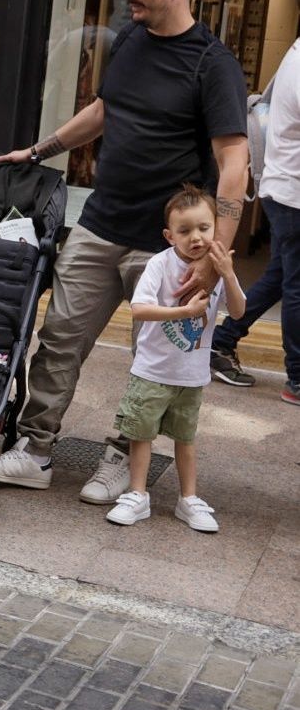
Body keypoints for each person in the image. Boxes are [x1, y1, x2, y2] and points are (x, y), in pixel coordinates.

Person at [0, 0, 249, 500]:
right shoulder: (129, 41)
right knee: (58, 340)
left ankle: (122, 457)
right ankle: (35, 450)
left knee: (156, 359)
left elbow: (233, 161)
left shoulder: (213, 64)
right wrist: (38, 151)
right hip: (100, 224)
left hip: (168, 243)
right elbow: (104, 110)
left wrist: (213, 256)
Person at [105, 186, 245, 531]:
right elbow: (138, 310)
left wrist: (227, 273)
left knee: (186, 439)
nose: (195, 237)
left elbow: (239, 311)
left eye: (203, 228)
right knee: (141, 434)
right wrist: (184, 310)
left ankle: (189, 499)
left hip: (190, 375)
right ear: (169, 236)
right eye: (184, 231)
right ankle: (138, 495)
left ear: (215, 227)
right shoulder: (159, 264)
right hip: (152, 371)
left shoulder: (217, 268)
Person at [210, 35, 300, 404]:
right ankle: (298, 378)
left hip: (284, 186)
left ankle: (222, 341)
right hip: (293, 192)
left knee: (281, 277)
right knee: (297, 286)